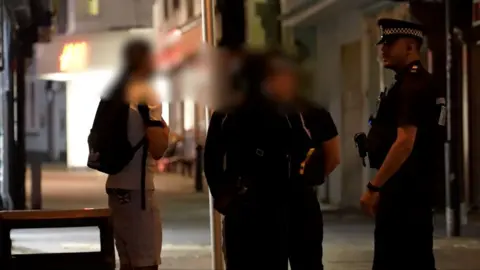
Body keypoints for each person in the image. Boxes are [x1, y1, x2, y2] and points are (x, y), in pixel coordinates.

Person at [204, 51, 340, 270]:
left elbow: (333, 156)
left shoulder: (310, 110)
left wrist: (306, 181)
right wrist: (225, 198)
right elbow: (212, 158)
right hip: (249, 207)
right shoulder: (232, 111)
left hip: (297, 205)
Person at [360, 19, 443, 270]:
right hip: (411, 192)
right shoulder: (414, 83)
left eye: (389, 43)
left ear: (410, 47)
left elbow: (405, 141)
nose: (382, 49)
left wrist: (374, 187)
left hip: (404, 193)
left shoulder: (413, 86)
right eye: (382, 43)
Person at [105, 39, 169, 270]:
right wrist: (165, 132)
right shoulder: (145, 93)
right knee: (145, 263)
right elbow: (158, 148)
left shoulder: (114, 91)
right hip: (138, 190)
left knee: (128, 263)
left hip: (115, 188)